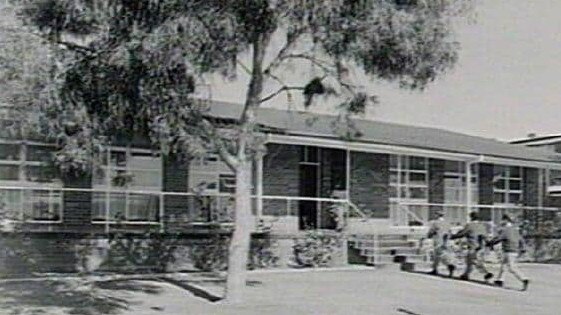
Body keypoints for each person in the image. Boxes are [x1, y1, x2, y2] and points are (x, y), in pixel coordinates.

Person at [487, 214, 530, 291]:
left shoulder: (505, 230)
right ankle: (500, 280)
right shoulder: (515, 229)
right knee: (503, 265)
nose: (501, 221)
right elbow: (521, 239)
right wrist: (523, 248)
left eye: (502, 220)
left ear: (506, 220)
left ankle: (524, 279)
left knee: (511, 267)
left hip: (509, 250)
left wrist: (490, 243)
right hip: (514, 250)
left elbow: (499, 238)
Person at [451, 211, 494, 282]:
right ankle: (465, 275)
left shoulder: (470, 225)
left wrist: (453, 236)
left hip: (472, 245)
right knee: (469, 261)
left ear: (471, 217)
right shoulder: (482, 226)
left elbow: (462, 233)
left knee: (474, 261)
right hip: (480, 246)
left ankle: (486, 273)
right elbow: (485, 236)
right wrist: (488, 243)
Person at [427, 210, 456, 277]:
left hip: (438, 240)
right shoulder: (447, 223)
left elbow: (431, 232)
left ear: (437, 215)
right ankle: (435, 269)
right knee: (438, 256)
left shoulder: (435, 223)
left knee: (440, 255)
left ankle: (450, 266)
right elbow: (450, 232)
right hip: (446, 241)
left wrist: (429, 235)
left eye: (435, 214)